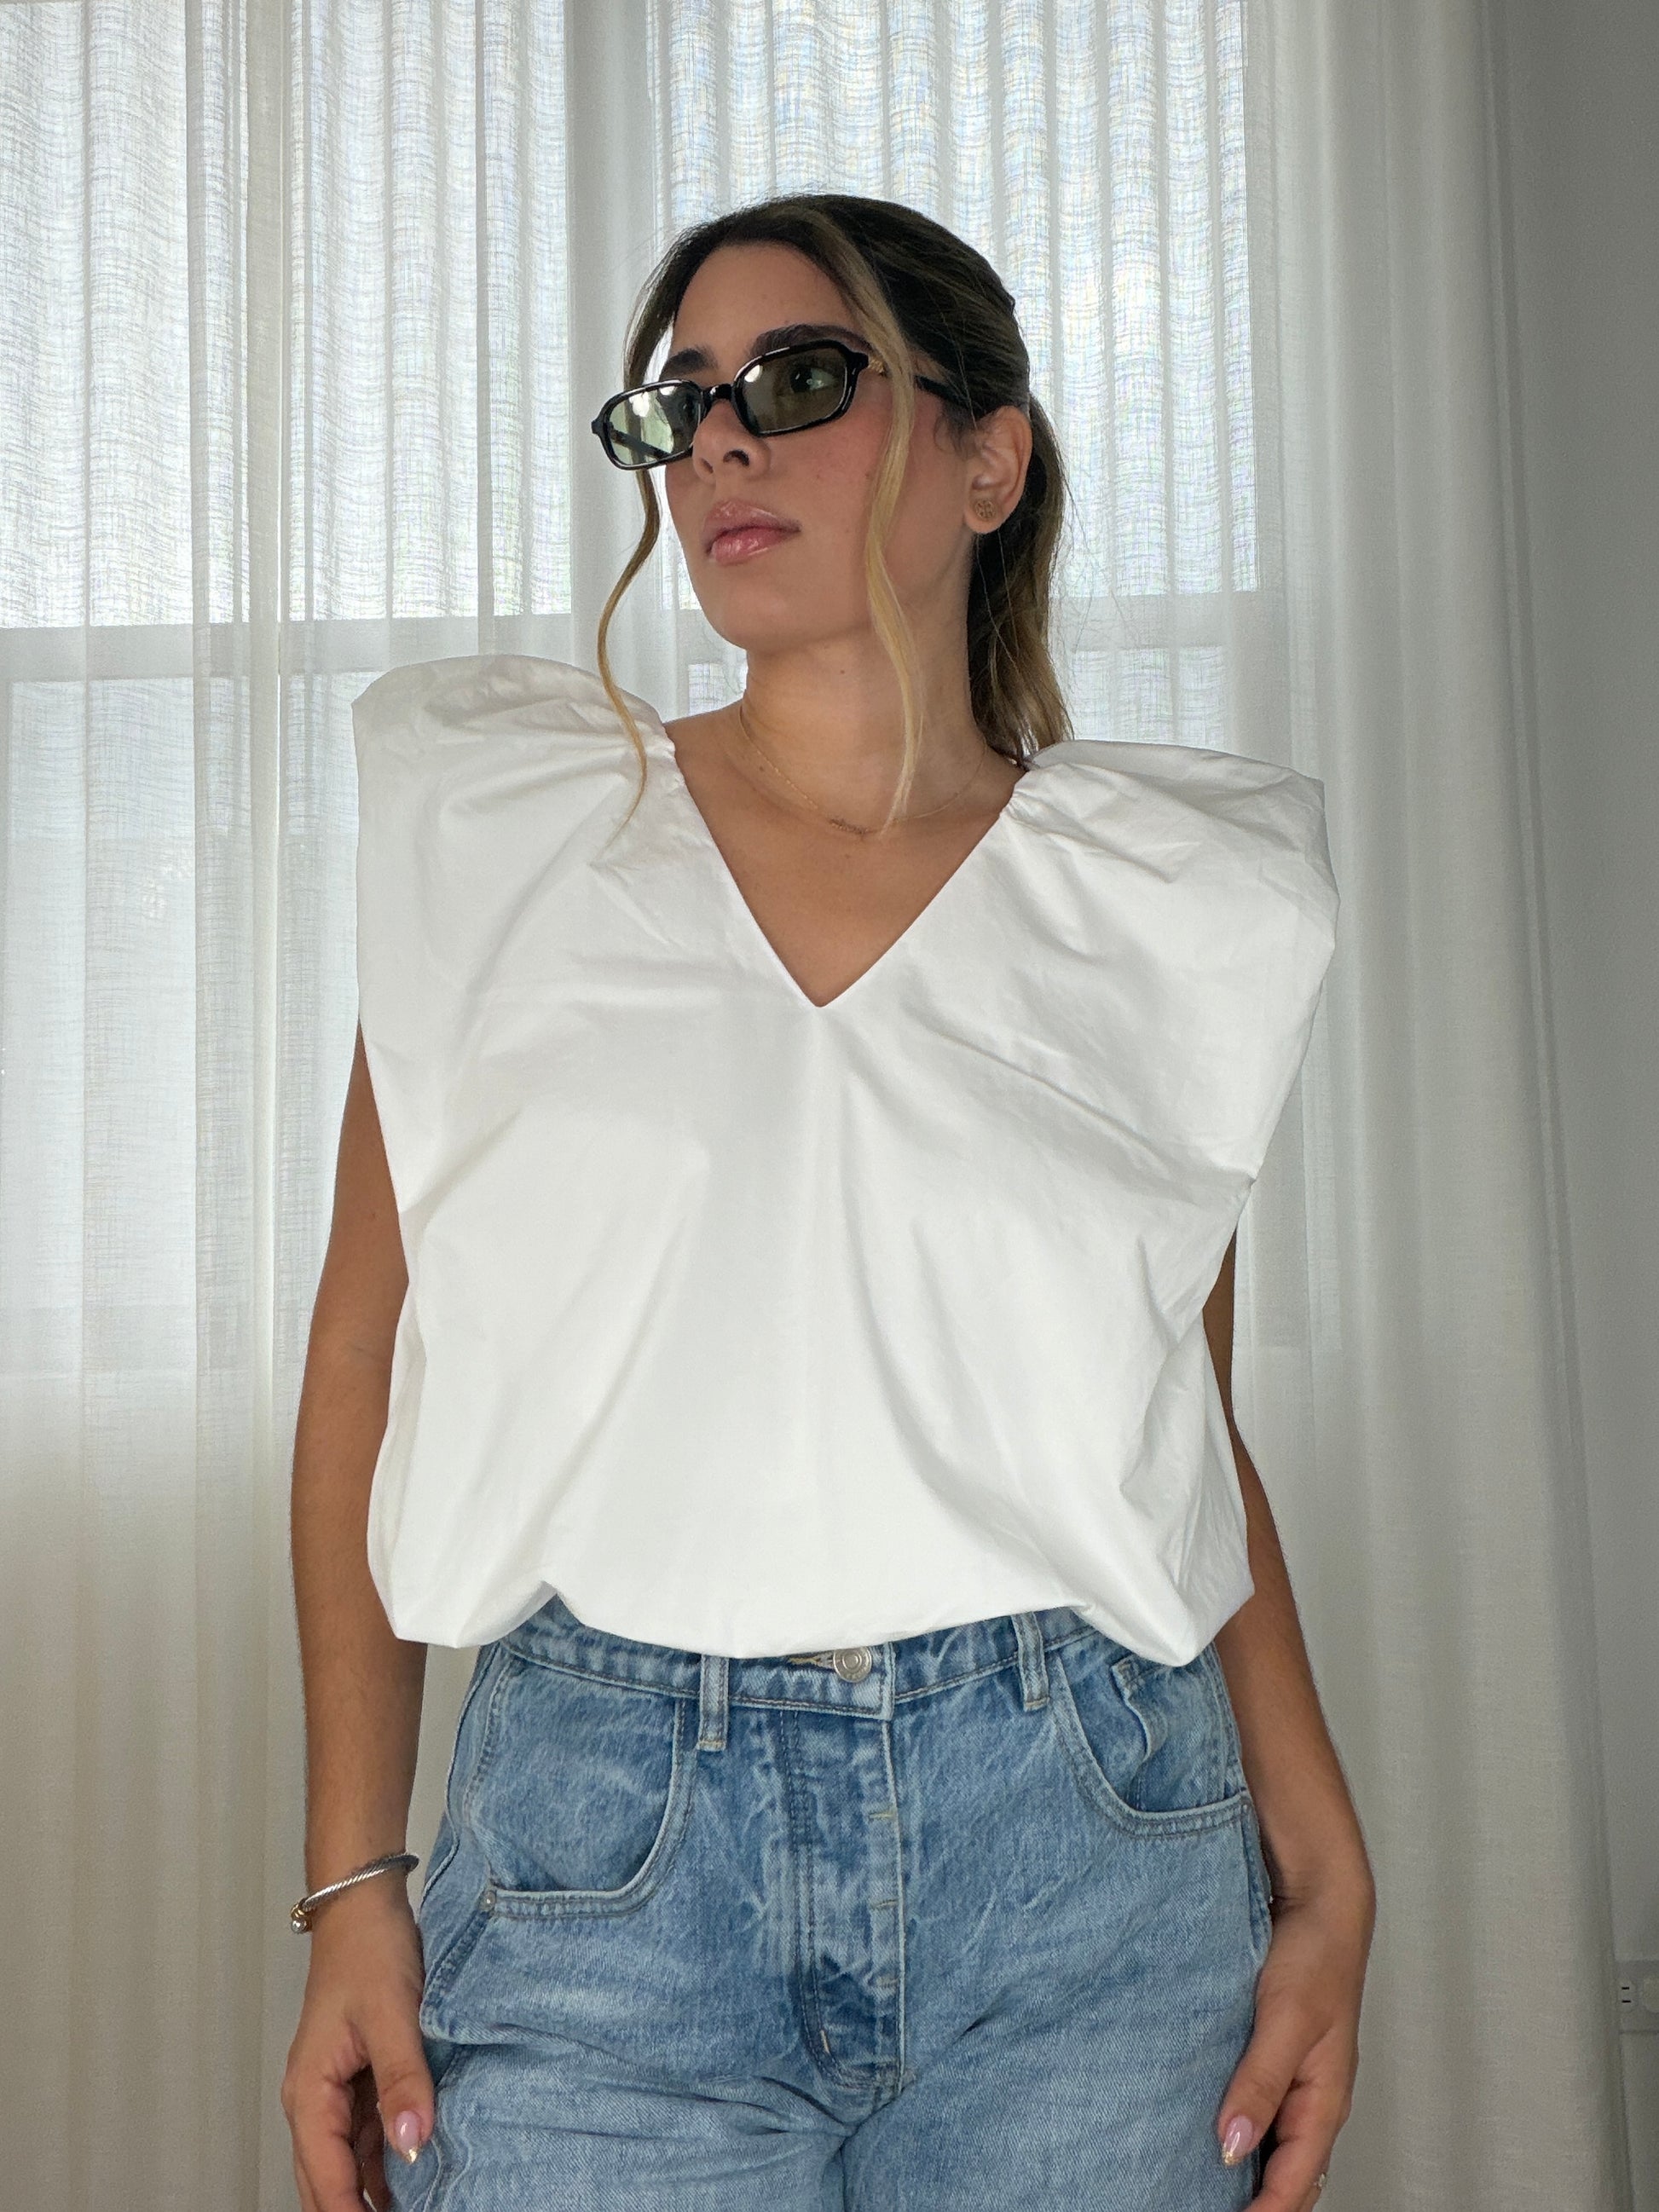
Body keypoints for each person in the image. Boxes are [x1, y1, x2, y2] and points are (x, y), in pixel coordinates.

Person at [282, 192, 1374, 2212]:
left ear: (988, 456)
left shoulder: (1159, 901)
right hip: (604, 1849)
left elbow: (1176, 1430)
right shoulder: (512, 835)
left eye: (797, 379)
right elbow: (362, 1352)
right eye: (678, 402)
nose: (719, 442)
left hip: (1087, 1846)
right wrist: (356, 1875)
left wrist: (1326, 1871)